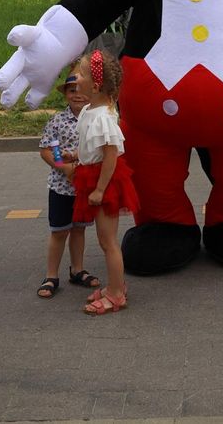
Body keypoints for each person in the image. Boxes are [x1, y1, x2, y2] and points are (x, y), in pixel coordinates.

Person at [73, 50, 139, 315]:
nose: (75, 77)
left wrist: (100, 189)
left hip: (105, 180)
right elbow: (93, 145)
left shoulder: (103, 116)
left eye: (81, 73)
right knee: (104, 239)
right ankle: (115, 284)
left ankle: (116, 294)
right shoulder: (91, 109)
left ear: (96, 85)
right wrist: (77, 155)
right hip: (93, 174)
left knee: (108, 240)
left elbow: (111, 154)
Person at [37, 64, 100, 299]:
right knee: (59, 231)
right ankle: (51, 275)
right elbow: (46, 149)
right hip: (61, 187)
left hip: (84, 188)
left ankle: (77, 270)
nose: (77, 94)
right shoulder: (57, 121)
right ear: (65, 94)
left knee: (79, 230)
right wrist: (61, 167)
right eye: (71, 90)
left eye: (81, 89)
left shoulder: (96, 119)